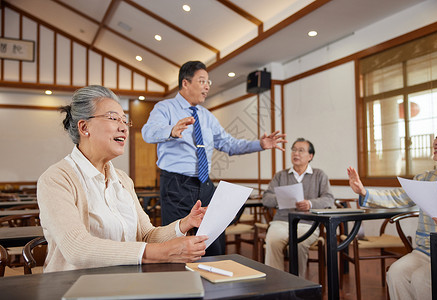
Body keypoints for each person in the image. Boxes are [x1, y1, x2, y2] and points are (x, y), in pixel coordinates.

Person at [37, 85, 208, 272]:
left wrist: (186, 223)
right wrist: (162, 252)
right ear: (84, 127)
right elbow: (77, 248)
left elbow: (146, 235)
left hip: (125, 281)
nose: (123, 128)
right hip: (74, 287)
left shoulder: (123, 179)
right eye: (113, 118)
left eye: (124, 121)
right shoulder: (56, 179)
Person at [141, 61, 287, 256]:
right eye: (202, 81)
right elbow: (148, 133)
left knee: (213, 242)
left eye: (208, 81)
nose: (207, 86)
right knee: (177, 243)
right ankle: (181, 283)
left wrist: (259, 144)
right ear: (185, 83)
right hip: (176, 184)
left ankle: (214, 282)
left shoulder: (206, 116)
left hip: (204, 184)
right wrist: (171, 130)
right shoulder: (165, 108)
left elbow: (229, 144)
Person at [347, 116, 437, 300]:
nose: (435, 141)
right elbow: (397, 197)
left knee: (421, 278)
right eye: (436, 136)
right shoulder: (426, 178)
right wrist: (364, 192)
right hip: (424, 251)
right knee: (395, 273)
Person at [262, 138, 334, 276]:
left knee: (299, 244)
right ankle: (275, 285)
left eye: (301, 150)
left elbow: (329, 198)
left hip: (308, 224)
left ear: (310, 156)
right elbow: (266, 198)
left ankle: (298, 285)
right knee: (272, 241)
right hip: (281, 222)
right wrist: (281, 198)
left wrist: (310, 204)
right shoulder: (280, 176)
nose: (296, 153)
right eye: (294, 150)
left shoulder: (319, 175)